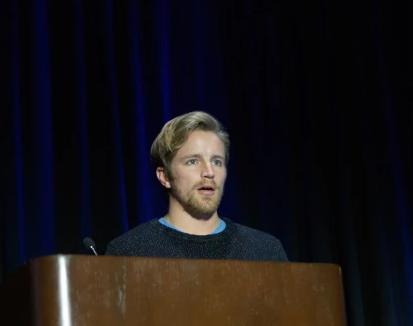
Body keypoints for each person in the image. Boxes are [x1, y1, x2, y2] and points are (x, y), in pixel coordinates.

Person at [105, 111, 289, 261]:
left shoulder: (265, 251)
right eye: (193, 161)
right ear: (164, 176)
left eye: (217, 162)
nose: (209, 172)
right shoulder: (129, 252)